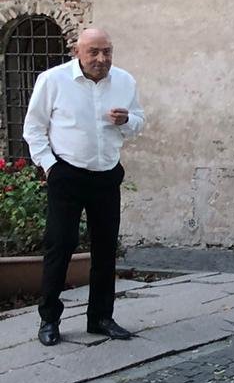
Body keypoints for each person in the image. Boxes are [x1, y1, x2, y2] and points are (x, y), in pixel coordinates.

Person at [23, 26, 145, 346]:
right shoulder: (52, 81)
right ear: (76, 51)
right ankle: (49, 319)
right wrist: (50, 167)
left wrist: (127, 121)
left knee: (105, 249)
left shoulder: (124, 81)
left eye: (107, 52)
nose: (101, 59)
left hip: (106, 175)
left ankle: (101, 317)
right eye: (94, 52)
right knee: (59, 246)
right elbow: (33, 129)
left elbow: (140, 121)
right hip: (67, 174)